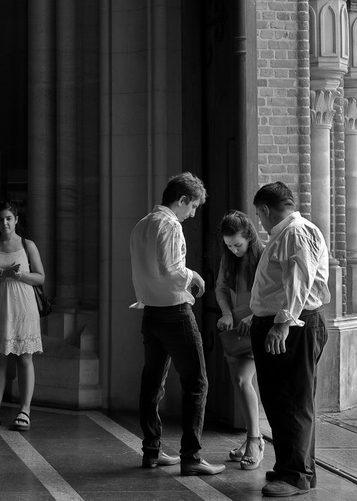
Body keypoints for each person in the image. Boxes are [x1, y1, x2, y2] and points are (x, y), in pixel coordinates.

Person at [129, 172, 223, 475]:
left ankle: (152, 452)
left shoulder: (142, 224)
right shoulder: (169, 225)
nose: (193, 213)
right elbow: (171, 269)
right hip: (174, 312)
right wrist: (194, 276)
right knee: (197, 383)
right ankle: (192, 458)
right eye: (193, 206)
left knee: (152, 383)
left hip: (151, 313)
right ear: (182, 200)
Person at [250, 182, 330, 498]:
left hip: (293, 327)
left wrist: (282, 324)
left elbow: (299, 282)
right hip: (287, 323)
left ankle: (295, 474)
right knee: (284, 399)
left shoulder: (295, 232)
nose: (260, 220)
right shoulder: (289, 232)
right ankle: (295, 468)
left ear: (267, 209)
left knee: (291, 401)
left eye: (259, 214)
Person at [0, 202, 44, 432]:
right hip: (0, 306)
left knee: (25, 357)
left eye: (8, 219)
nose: (4, 223)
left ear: (15, 220)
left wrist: (20, 274)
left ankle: (25, 410)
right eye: (0, 219)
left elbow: (41, 277)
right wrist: (2, 274)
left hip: (24, 306)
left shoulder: (27, 245)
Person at [214, 210, 265, 471]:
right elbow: (220, 288)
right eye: (229, 246)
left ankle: (255, 441)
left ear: (249, 238)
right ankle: (250, 439)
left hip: (257, 327)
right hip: (235, 330)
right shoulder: (229, 259)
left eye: (238, 245)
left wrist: (254, 317)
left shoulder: (263, 255)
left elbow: (272, 292)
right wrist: (225, 313)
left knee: (244, 380)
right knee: (239, 382)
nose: (234, 250)